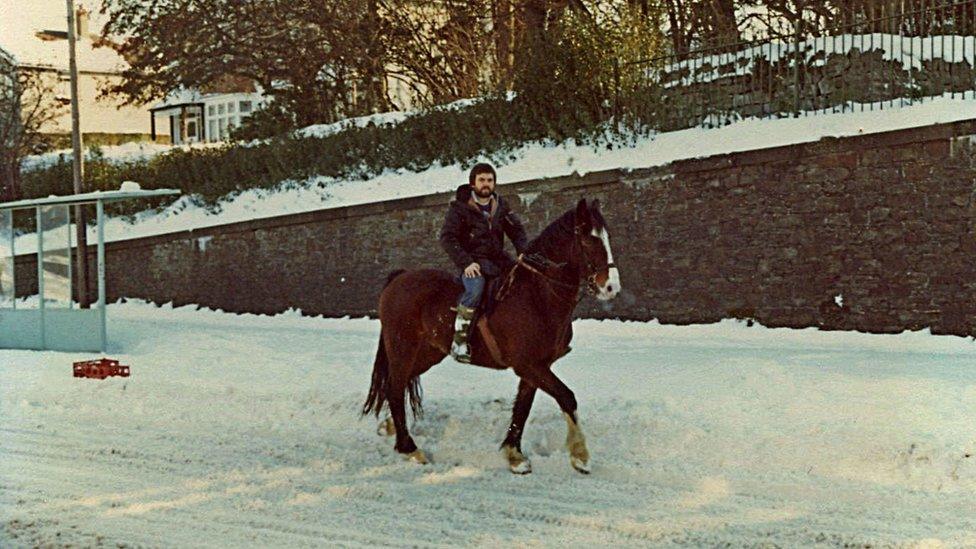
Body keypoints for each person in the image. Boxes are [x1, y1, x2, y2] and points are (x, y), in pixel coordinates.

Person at [439, 163, 528, 363]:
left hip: (498, 259)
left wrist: (523, 251)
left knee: (522, 279)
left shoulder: (501, 206)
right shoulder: (460, 208)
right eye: (482, 180)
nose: (486, 184)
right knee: (475, 289)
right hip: (473, 262)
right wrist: (466, 263)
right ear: (473, 183)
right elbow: (447, 238)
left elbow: (517, 231)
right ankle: (459, 341)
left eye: (490, 180)